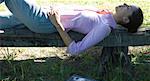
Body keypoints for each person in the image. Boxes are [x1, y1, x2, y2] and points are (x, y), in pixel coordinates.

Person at [0, 0, 143, 55]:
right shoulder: (105, 15)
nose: (124, 4)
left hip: (44, 22)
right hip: (44, 13)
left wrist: (57, 24)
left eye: (127, 7)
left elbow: (76, 50)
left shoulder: (105, 27)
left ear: (126, 19)